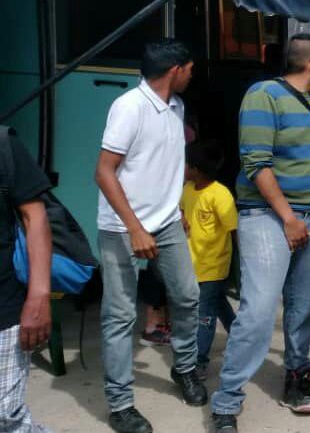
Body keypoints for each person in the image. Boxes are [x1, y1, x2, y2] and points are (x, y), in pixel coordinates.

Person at [210, 34, 310, 432]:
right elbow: (256, 163)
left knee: (304, 304)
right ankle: (227, 400)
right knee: (257, 309)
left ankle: (297, 376)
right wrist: (289, 218)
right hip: (268, 216)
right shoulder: (263, 95)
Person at [94, 40, 204, 433]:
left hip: (165, 222)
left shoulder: (176, 108)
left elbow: (161, 166)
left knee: (187, 296)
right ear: (175, 69)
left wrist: (173, 211)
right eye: (190, 68)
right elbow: (104, 172)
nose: (193, 74)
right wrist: (137, 228)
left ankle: (185, 367)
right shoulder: (130, 107)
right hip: (122, 227)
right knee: (120, 315)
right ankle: (120, 404)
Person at [0, 129, 53, 432]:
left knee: (6, 415)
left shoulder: (4, 145)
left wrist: (39, 295)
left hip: (4, 308)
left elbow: (35, 217)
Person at [180, 140, 237, 377]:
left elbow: (234, 228)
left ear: (195, 167)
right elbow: (182, 210)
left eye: (185, 163)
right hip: (193, 263)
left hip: (214, 264)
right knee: (215, 302)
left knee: (204, 315)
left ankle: (199, 360)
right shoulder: (187, 189)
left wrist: (241, 267)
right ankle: (240, 334)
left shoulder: (220, 194)